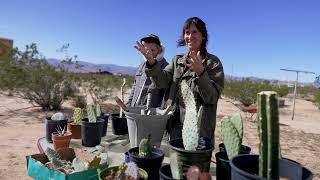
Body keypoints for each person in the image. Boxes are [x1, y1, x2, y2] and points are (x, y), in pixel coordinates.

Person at [135, 17, 224, 144]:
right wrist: (152, 63)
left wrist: (201, 73)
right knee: (176, 162)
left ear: (203, 36)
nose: (190, 36)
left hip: (198, 130)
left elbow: (212, 97)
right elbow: (161, 82)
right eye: (187, 32)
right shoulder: (177, 61)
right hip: (174, 126)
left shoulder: (212, 63)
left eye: (195, 32)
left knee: (194, 164)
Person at [128, 34, 168, 108]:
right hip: (134, 110)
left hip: (151, 114)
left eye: (152, 50)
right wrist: (128, 105)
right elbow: (135, 86)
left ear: (159, 50)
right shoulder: (142, 65)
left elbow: (166, 94)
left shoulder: (166, 67)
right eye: (146, 50)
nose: (149, 53)